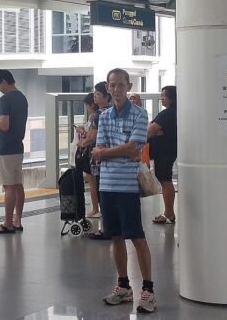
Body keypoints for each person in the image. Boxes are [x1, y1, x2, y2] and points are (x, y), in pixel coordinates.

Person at [93, 68, 156, 314]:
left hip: (128, 187)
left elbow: (133, 150)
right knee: (116, 237)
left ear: (128, 86)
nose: (116, 89)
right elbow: (98, 149)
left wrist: (107, 152)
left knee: (137, 238)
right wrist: (115, 150)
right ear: (107, 88)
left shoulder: (140, 114)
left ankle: (148, 290)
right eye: (112, 85)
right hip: (106, 186)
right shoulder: (104, 116)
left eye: (120, 85)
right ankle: (124, 286)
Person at [0, 70, 28, 234]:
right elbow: (12, 119)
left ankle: (8, 223)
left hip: (6, 148)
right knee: (18, 185)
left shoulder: (5, 98)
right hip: (18, 147)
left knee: (9, 187)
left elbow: (4, 126)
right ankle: (17, 220)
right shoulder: (21, 97)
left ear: (3, 81)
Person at [148, 86, 177, 225]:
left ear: (171, 97)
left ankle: (169, 212)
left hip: (164, 151)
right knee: (165, 179)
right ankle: (168, 212)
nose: (161, 98)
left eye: (164, 95)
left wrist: (155, 130)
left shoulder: (168, 113)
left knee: (165, 179)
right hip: (169, 150)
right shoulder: (174, 112)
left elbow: (150, 129)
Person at [88, 81, 113, 240]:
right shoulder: (113, 111)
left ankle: (105, 228)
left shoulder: (98, 115)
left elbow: (92, 137)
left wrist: (83, 140)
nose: (95, 96)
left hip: (100, 158)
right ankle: (109, 227)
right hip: (112, 158)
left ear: (105, 96)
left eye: (97, 94)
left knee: (101, 191)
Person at [74, 93, 100, 218]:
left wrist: (81, 140)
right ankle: (97, 208)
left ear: (91, 105)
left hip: (92, 153)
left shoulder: (94, 117)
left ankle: (95, 209)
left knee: (92, 182)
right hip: (97, 151)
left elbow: (90, 137)